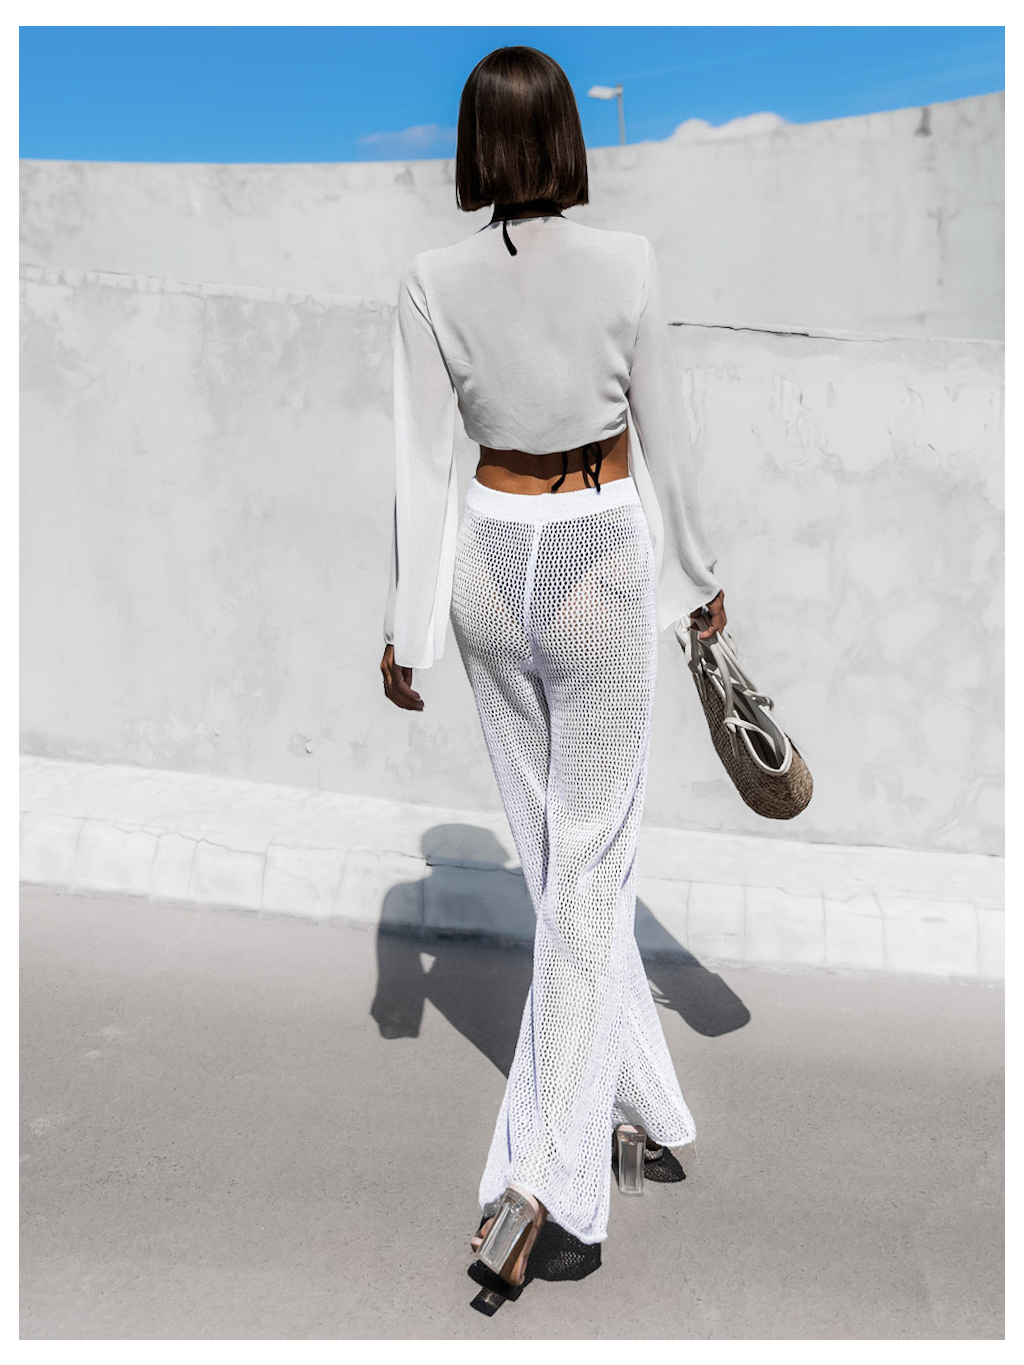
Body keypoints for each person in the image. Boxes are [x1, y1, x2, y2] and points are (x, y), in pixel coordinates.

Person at [380, 46, 726, 1295]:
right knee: (589, 874)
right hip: (594, 555)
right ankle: (545, 1186)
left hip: (485, 561)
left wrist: (404, 625)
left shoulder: (432, 278)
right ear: (568, 138)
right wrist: (699, 578)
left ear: (473, 144)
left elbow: (419, 460)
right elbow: (670, 438)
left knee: (559, 869)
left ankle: (642, 1114)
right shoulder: (626, 262)